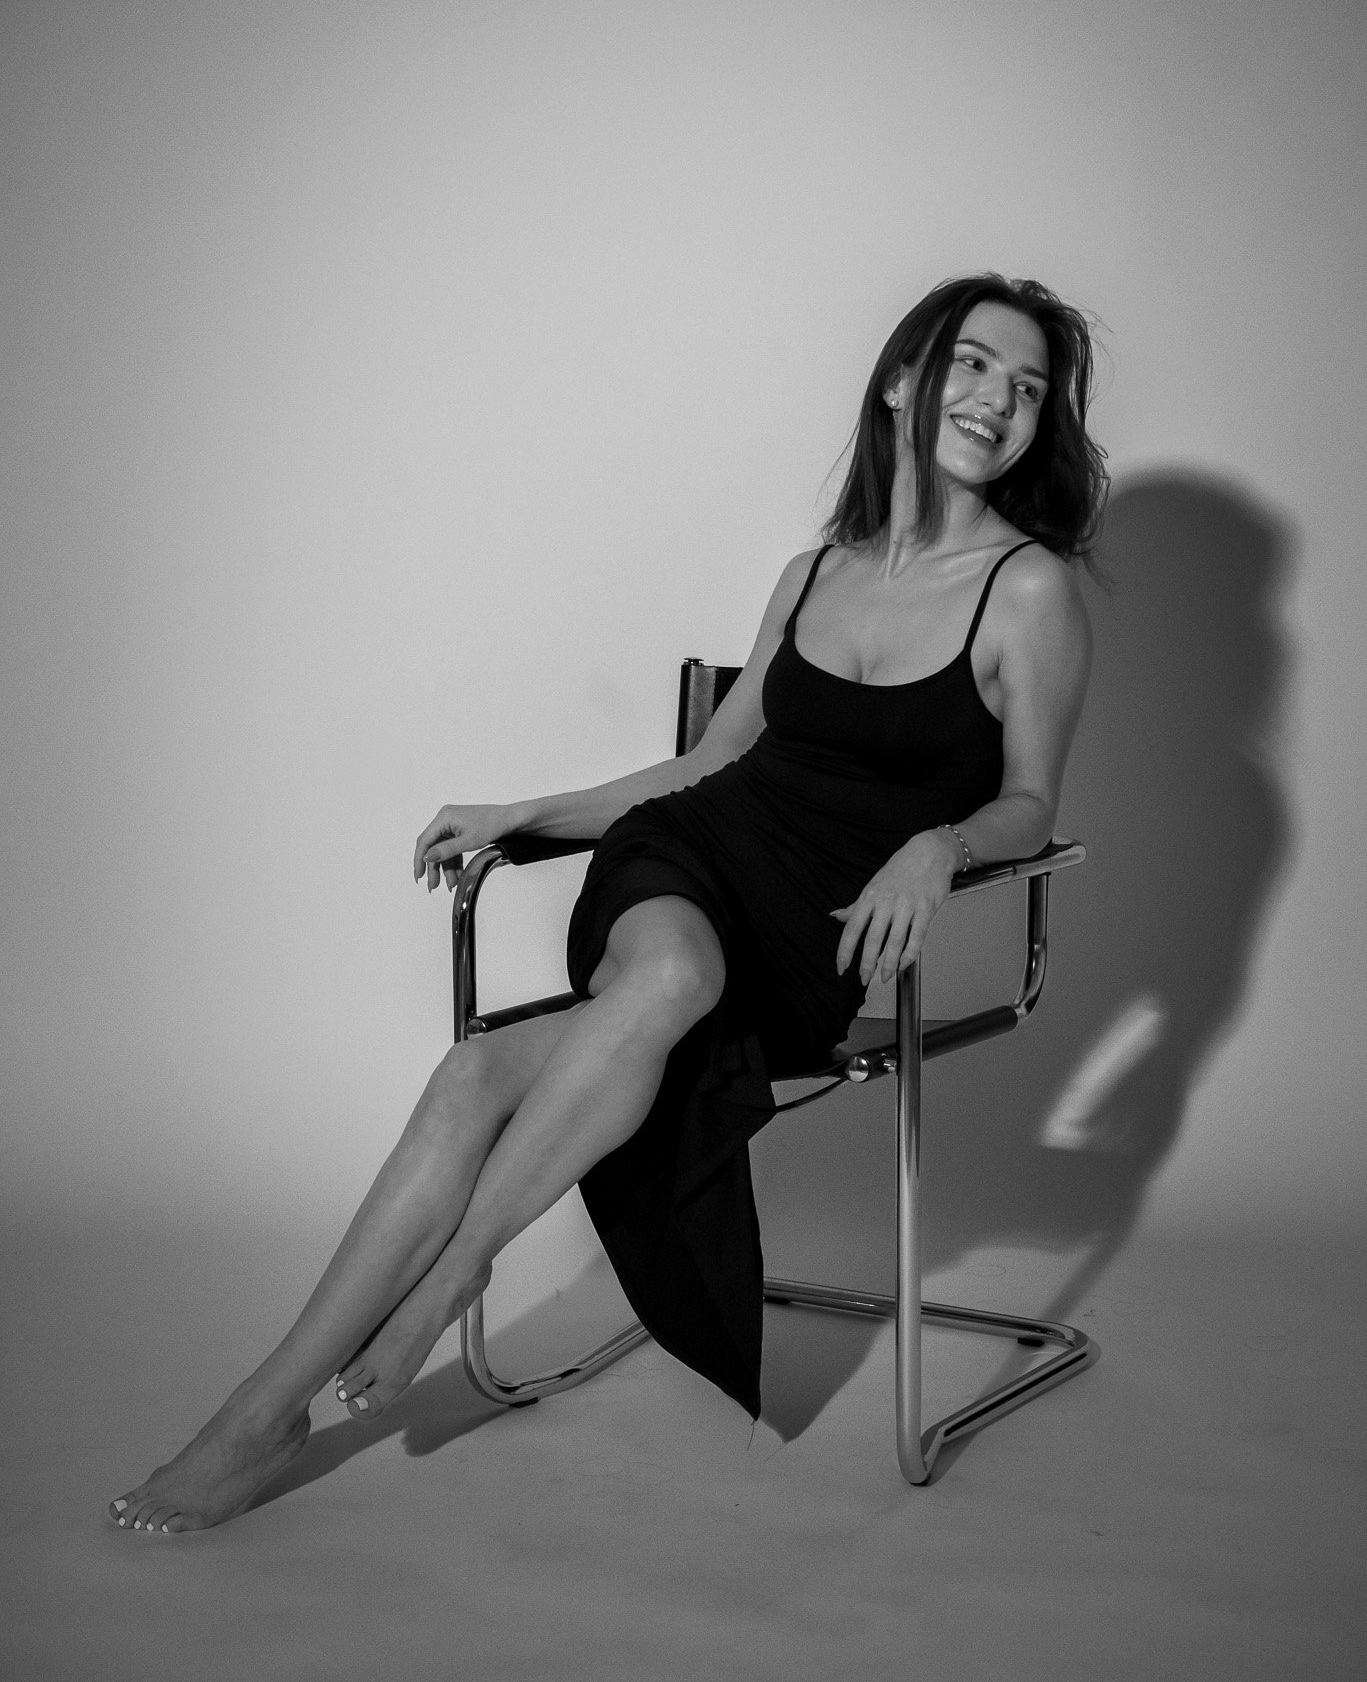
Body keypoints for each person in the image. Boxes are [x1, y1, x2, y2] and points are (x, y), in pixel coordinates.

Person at [110, 273, 1106, 1533]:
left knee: (477, 1075)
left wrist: (936, 844)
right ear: (904, 378)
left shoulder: (1028, 589)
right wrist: (524, 813)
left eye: (1025, 389)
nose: (997, 402)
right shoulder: (812, 573)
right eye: (972, 365)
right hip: (677, 871)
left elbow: (1029, 800)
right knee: (671, 977)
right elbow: (704, 769)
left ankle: (440, 1270)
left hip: (809, 945)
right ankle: (265, 1410)